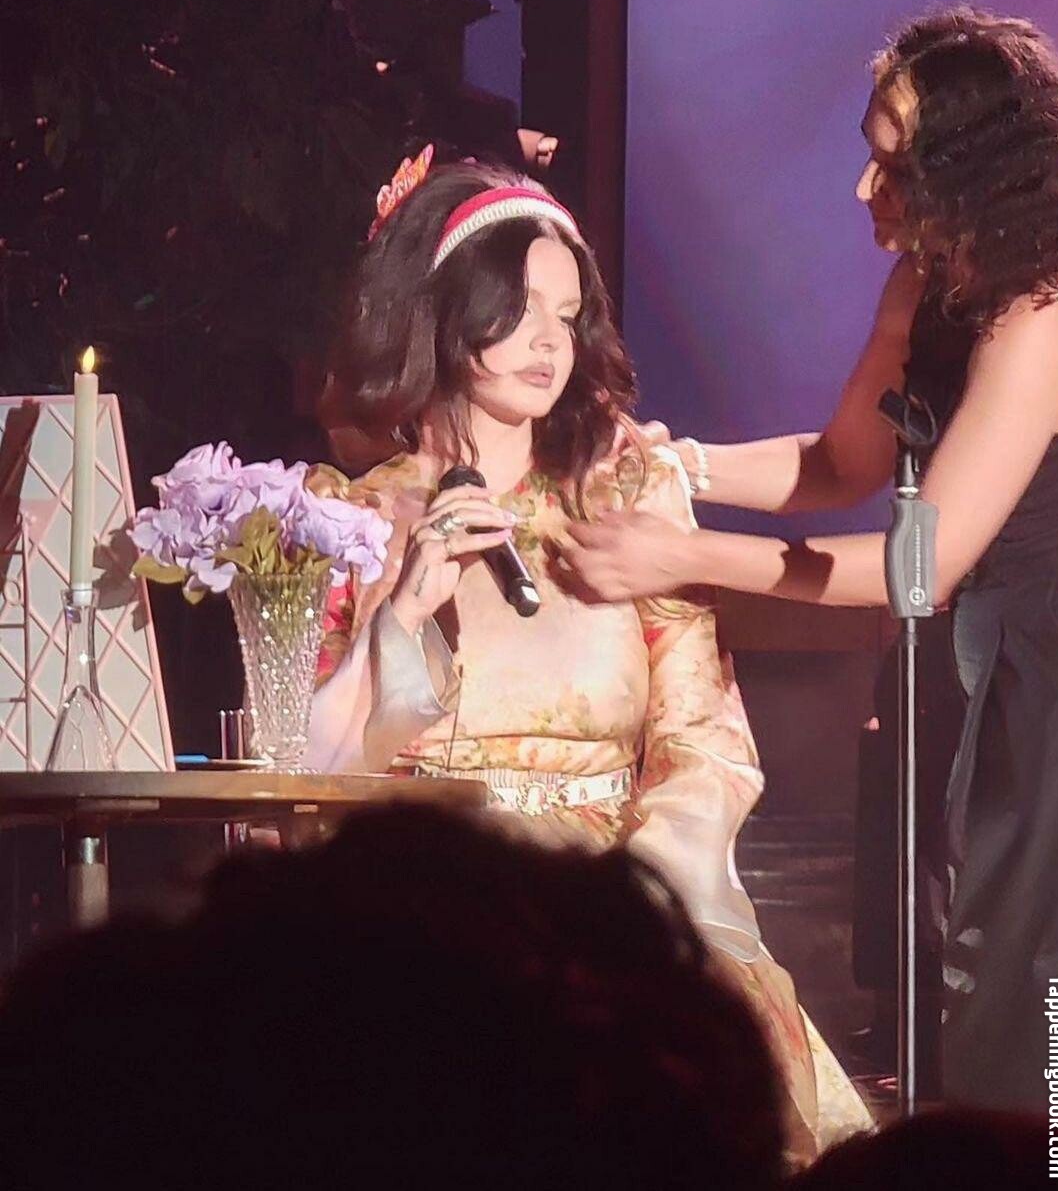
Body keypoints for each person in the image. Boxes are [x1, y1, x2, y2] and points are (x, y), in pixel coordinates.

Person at [303, 152, 873, 1161]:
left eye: (567, 317)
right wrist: (403, 617)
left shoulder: (626, 497)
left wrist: (637, 900)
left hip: (616, 904)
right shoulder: (351, 518)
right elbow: (311, 768)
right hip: (426, 902)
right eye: (520, 308)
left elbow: (704, 741)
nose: (547, 341)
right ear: (446, 308)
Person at [562, 6, 1058, 1116]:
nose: (863, 188)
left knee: (1032, 1010)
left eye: (894, 164)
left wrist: (682, 557)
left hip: (1054, 699)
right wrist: (682, 464)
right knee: (944, 990)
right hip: (958, 677)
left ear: (973, 171)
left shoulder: (1046, 314)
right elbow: (843, 461)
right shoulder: (927, 289)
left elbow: (916, 567)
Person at [0, 804, 787, 1191]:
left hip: (570, 882)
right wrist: (400, 620)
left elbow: (702, 754)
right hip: (414, 882)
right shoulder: (369, 542)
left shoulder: (646, 527)